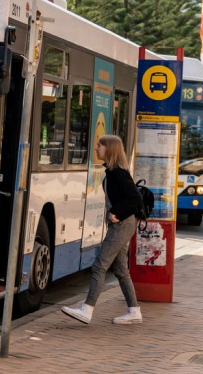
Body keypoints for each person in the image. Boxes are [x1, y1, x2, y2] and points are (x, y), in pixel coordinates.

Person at [61, 134, 143, 325]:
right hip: (123, 224)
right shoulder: (114, 171)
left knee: (100, 265)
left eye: (100, 145)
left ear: (109, 149)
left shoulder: (118, 174)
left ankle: (87, 309)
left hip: (122, 225)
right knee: (121, 270)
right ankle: (134, 311)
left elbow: (135, 198)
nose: (96, 148)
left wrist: (117, 212)